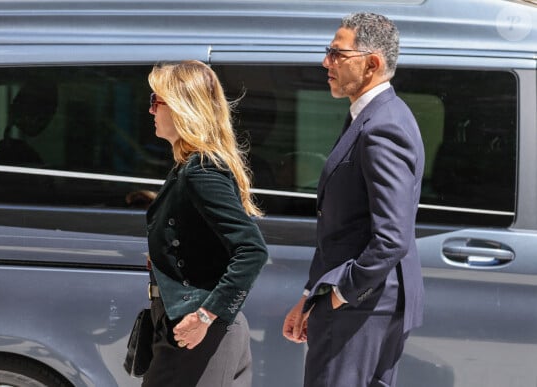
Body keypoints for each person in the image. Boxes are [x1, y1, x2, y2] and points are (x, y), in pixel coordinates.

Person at [282, 12, 425, 387]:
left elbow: (392, 236)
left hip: (363, 308)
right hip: (362, 306)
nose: (325, 62)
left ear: (371, 64)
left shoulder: (383, 126)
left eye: (336, 53)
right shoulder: (373, 116)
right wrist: (310, 295)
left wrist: (340, 293)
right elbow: (344, 222)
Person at [142, 60, 268, 387]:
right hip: (189, 330)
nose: (151, 110)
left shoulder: (201, 171)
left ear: (182, 107)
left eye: (157, 101)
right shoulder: (188, 168)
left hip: (199, 333)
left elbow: (251, 250)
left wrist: (204, 316)